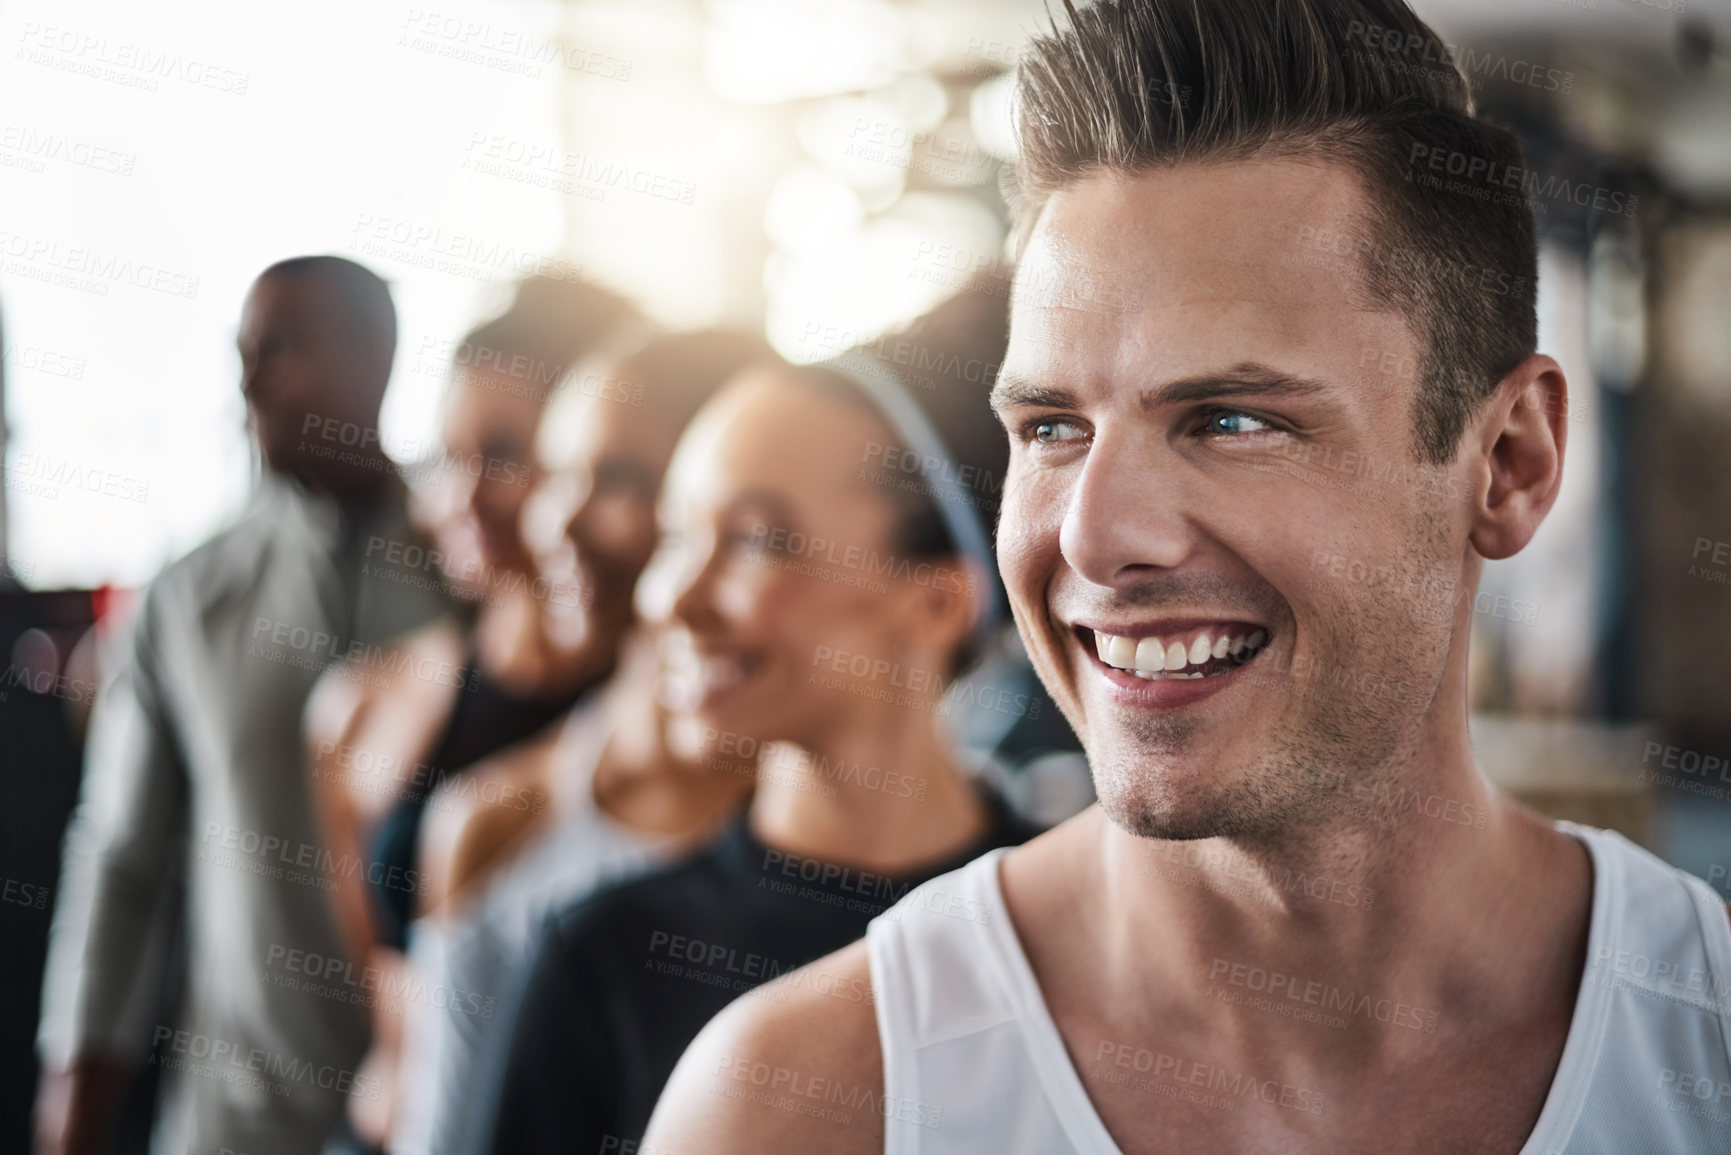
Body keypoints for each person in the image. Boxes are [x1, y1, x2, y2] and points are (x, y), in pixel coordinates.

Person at [646, 2, 1731, 1153]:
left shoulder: (1701, 1045)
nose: (1094, 539)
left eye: (1229, 418)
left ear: (1509, 462)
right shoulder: (805, 1104)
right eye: (1054, 428)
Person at [472, 302, 1044, 1155]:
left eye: (756, 539)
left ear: (936, 599)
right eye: (677, 535)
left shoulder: (1068, 929)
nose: (673, 597)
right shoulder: (603, 958)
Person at [34, 257, 448, 1155]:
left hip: (434, 1111)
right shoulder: (188, 597)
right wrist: (71, 1092)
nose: (251, 381)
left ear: (375, 358)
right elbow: (120, 856)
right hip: (240, 1121)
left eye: (285, 349)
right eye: (244, 353)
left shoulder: (463, 570)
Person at [385, 332, 775, 1155]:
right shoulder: (493, 823)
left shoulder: (836, 816)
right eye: (557, 475)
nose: (556, 519)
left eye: (619, 480)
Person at [302, 278, 640, 1150]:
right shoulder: (360, 707)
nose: (461, 492)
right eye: (446, 456)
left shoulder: (667, 719)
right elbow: (386, 995)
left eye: (502, 453)